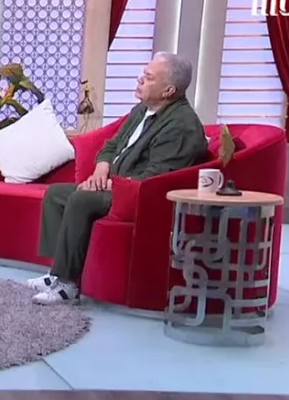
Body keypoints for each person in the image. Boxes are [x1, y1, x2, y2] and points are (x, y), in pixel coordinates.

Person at [30, 52, 209, 305]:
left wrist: (110, 184)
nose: (140, 80)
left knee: (81, 200)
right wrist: (101, 168)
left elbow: (157, 177)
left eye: (149, 77)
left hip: (140, 196)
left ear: (169, 90)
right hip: (116, 184)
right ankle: (55, 273)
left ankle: (68, 285)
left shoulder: (181, 126)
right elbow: (112, 145)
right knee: (56, 194)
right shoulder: (142, 109)